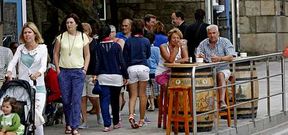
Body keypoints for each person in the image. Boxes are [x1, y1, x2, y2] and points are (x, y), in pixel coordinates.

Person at [6, 22, 48, 135]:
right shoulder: (20, 48)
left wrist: (38, 73)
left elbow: (44, 66)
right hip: (23, 87)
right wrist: (9, 71)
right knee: (23, 115)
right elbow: (13, 62)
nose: (27, 35)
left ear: (35, 34)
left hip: (38, 87)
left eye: (29, 32)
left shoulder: (42, 48)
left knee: (36, 116)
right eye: (25, 33)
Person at [53, 13, 90, 135]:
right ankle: (68, 123)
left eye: (71, 22)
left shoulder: (83, 36)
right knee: (66, 99)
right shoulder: (61, 37)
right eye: (67, 23)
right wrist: (58, 69)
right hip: (64, 71)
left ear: (76, 24)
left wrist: (84, 69)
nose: (69, 25)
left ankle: (75, 126)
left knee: (76, 99)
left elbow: (87, 54)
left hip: (78, 71)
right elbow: (55, 54)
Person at [95, 25, 128, 132]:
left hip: (103, 76)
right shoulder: (116, 46)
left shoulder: (98, 47)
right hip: (116, 76)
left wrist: (95, 75)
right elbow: (122, 62)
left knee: (104, 100)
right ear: (110, 33)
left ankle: (107, 124)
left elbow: (97, 63)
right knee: (115, 100)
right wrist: (125, 75)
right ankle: (116, 122)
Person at [195, 24, 235, 108]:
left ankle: (221, 101)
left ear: (218, 33)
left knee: (220, 74)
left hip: (223, 69)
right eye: (210, 33)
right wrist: (199, 56)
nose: (212, 35)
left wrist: (220, 58)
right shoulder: (203, 43)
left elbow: (231, 56)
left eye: (214, 33)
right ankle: (201, 106)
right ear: (207, 34)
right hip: (208, 71)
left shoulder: (225, 41)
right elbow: (197, 54)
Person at [123, 19, 151, 128]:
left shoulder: (128, 41)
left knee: (133, 95)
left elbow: (125, 57)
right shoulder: (146, 41)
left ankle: (131, 114)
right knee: (142, 95)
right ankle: (142, 119)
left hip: (131, 68)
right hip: (143, 67)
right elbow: (148, 55)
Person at [79, 23, 102, 129]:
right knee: (82, 98)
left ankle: (99, 113)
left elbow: (97, 58)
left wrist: (96, 73)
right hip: (79, 72)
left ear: (89, 31)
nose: (84, 33)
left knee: (93, 97)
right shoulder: (77, 42)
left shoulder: (94, 42)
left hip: (91, 72)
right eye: (82, 30)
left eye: (85, 31)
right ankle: (84, 120)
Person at [145, 32, 160, 111]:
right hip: (154, 72)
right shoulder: (156, 49)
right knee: (156, 90)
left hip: (146, 72)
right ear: (153, 41)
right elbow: (158, 60)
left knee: (147, 90)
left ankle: (151, 104)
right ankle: (159, 104)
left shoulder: (143, 48)